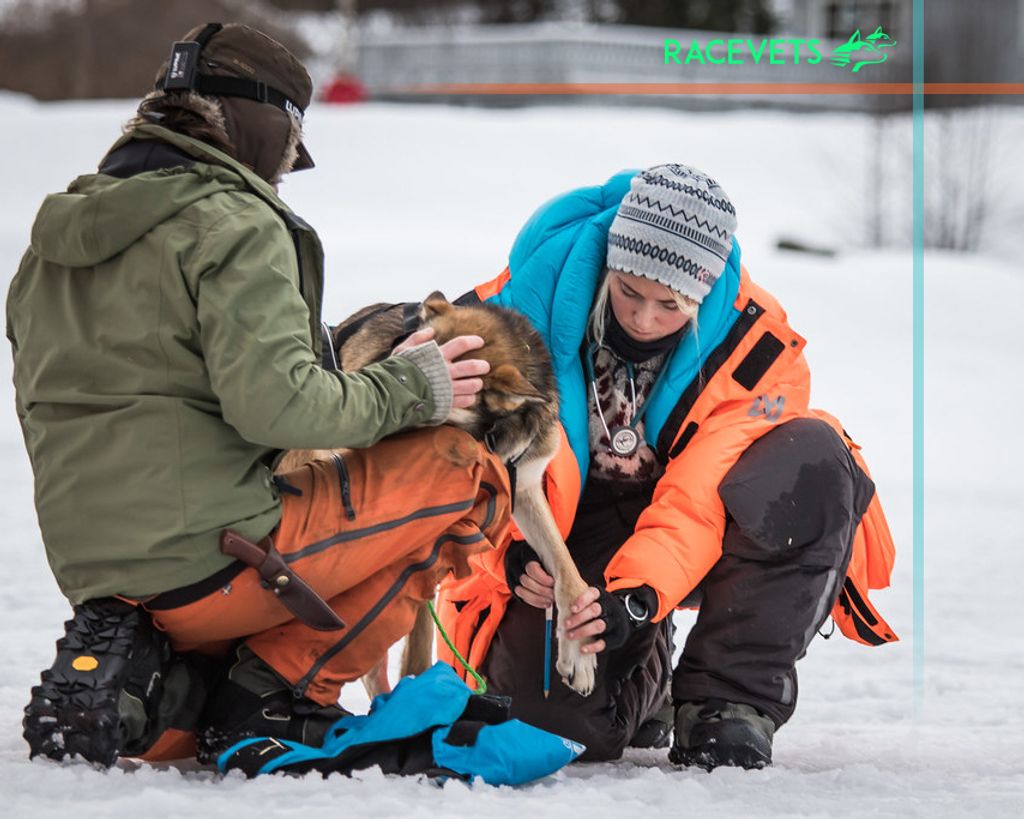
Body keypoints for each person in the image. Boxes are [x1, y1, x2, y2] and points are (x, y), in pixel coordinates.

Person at [8, 23, 510, 768]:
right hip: (212, 557)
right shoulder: (234, 223)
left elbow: (150, 385)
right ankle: (278, 688)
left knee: (190, 690)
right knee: (466, 472)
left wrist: (333, 363)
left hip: (93, 564)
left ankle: (160, 691)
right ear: (262, 126)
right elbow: (278, 412)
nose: (282, 175)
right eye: (286, 150)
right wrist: (409, 386)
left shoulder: (52, 242)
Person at [437, 164, 897, 769]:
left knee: (810, 453)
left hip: (688, 532)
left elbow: (696, 502)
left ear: (703, 295)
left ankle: (725, 704)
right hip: (566, 537)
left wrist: (636, 601)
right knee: (556, 730)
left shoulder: (755, 351)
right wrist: (515, 555)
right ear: (607, 263)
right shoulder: (508, 318)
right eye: (628, 292)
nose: (644, 319)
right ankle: (645, 679)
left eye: (671, 305)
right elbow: (454, 472)